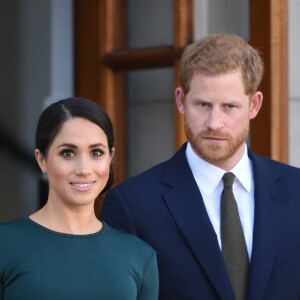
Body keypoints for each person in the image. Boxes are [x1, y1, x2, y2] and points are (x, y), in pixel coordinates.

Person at [101, 34, 300, 300]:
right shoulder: (132, 206)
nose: (214, 123)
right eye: (203, 104)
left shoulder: (296, 191)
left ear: (254, 105)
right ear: (181, 101)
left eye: (229, 106)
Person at [0, 97, 159, 300]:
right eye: (68, 153)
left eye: (96, 152)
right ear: (42, 160)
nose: (84, 169)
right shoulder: (4, 245)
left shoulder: (140, 255)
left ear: (110, 158)